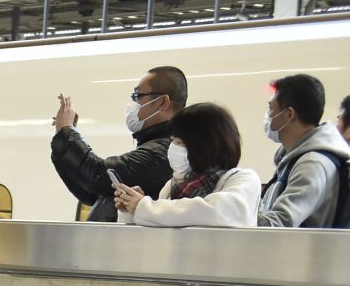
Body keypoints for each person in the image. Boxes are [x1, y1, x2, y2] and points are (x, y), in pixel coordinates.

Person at [51, 66, 184, 221]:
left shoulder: (161, 152)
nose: (132, 105)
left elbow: (98, 174)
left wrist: (67, 133)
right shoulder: (155, 145)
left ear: (162, 102)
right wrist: (63, 137)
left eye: (137, 96)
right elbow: (93, 193)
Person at [115, 103, 261, 228]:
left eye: (180, 142)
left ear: (206, 146)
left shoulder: (243, 179)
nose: (172, 147)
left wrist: (145, 207)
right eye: (173, 141)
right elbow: (159, 226)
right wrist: (131, 210)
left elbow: (215, 212)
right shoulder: (172, 185)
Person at [258, 74, 350, 229]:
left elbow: (279, 224)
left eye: (271, 109)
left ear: (289, 114)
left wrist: (234, 217)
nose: (268, 116)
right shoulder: (295, 158)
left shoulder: (312, 164)